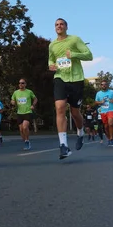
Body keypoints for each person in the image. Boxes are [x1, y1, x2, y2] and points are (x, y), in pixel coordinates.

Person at [48, 18, 93, 159]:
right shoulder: (52, 45)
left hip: (76, 79)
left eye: (61, 24)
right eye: (56, 24)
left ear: (66, 27)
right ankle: (63, 145)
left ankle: (80, 131)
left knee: (75, 113)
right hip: (60, 78)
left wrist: (73, 54)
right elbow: (51, 59)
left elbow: (89, 55)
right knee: (60, 108)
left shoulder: (75, 40)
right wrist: (51, 65)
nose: (59, 26)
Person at [11, 78, 37, 151]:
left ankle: (27, 141)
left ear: (25, 84)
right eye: (19, 83)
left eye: (22, 83)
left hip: (28, 112)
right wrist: (12, 102)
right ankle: (25, 140)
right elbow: (13, 99)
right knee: (21, 130)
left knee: (25, 127)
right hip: (20, 113)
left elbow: (35, 99)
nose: (21, 84)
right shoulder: (16, 92)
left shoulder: (29, 92)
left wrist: (33, 105)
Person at [95, 80, 113, 147]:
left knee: (110, 124)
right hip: (103, 111)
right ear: (101, 85)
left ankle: (111, 139)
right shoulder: (98, 93)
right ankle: (109, 139)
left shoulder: (111, 92)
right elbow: (96, 102)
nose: (104, 85)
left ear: (107, 85)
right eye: (102, 84)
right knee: (105, 127)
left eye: (105, 84)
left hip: (110, 110)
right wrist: (100, 102)